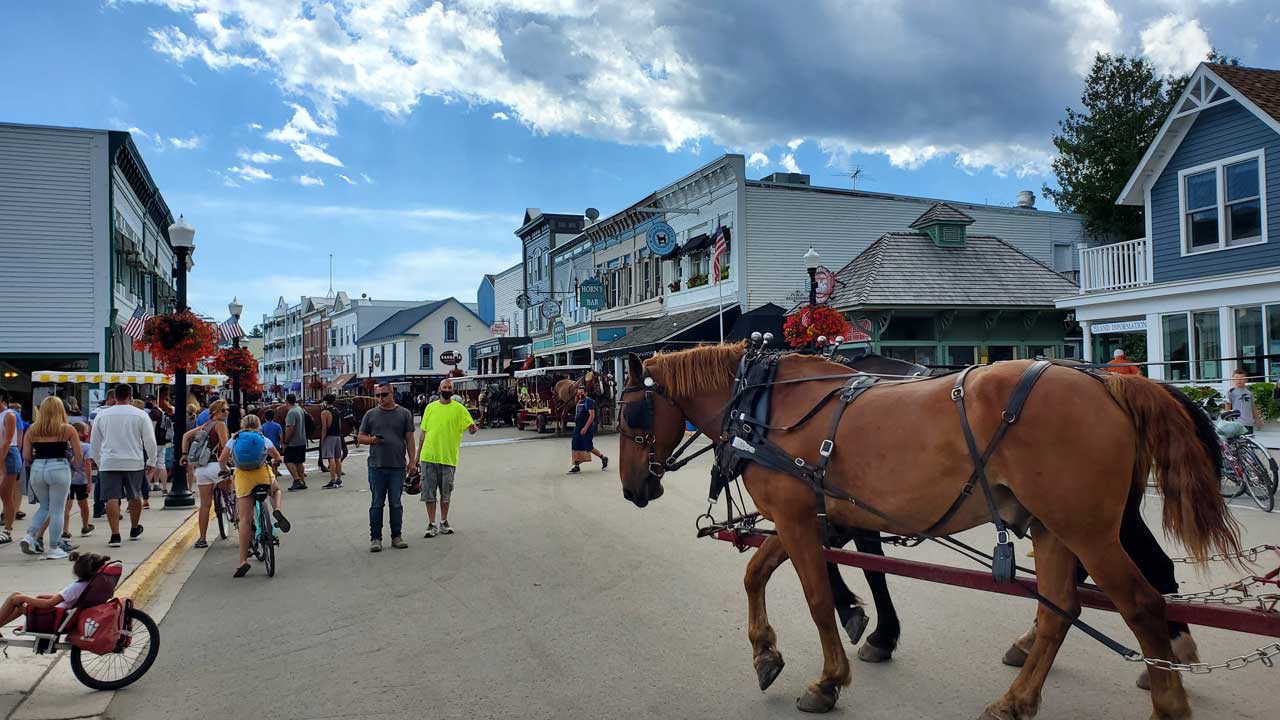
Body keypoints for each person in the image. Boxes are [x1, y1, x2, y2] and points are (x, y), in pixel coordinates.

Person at [219, 413, 290, 577]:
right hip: (262, 474)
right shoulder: (263, 439)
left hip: (243, 477)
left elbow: (223, 459)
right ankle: (277, 509)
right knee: (276, 490)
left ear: (242, 424)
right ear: (259, 424)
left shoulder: (235, 438)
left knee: (244, 520)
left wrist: (225, 469)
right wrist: (274, 462)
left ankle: (243, 560)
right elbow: (278, 458)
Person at [90, 384, 156, 548]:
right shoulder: (140, 415)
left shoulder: (102, 415)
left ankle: (115, 534)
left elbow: (95, 442)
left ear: (114, 397)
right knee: (134, 495)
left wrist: (98, 461)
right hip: (133, 460)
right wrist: (151, 461)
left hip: (109, 461)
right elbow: (149, 440)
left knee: (111, 497)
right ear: (130, 396)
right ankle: (134, 528)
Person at [18, 397, 82, 560]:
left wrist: (36, 462)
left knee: (44, 506)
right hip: (59, 467)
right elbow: (78, 455)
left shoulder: (32, 429)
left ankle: (30, 535)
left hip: (38, 468)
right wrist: (73, 466)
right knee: (57, 509)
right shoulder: (67, 429)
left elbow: (26, 455)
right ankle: (53, 547)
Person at [357, 382, 415, 552]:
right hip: (376, 466)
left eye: (384, 395)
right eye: (378, 395)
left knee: (395, 503)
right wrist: (372, 440)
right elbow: (360, 437)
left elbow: (410, 439)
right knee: (377, 503)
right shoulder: (370, 415)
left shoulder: (404, 414)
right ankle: (376, 538)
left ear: (392, 394)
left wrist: (412, 461)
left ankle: (396, 536)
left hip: (397, 466)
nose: (380, 398)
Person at [417, 378, 477, 538]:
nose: (447, 389)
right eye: (445, 387)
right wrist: (417, 457)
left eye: (449, 387)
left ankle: (444, 521)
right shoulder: (430, 408)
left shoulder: (459, 409)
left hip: (448, 458)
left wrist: (472, 428)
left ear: (453, 390)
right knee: (429, 493)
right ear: (439, 389)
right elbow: (423, 433)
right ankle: (431, 524)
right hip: (429, 457)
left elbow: (470, 428)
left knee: (446, 492)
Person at [0, 552, 113, 634]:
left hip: (51, 616)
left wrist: (24, 598)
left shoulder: (76, 587)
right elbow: (70, 600)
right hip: (63, 614)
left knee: (15, 597)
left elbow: (48, 604)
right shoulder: (91, 586)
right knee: (20, 601)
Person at [183, 400, 230, 549]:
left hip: (202, 469)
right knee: (234, 497)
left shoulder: (204, 425)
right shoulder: (220, 425)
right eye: (223, 410)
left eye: (227, 409)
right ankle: (240, 522)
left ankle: (202, 538)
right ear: (216, 412)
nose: (227, 412)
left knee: (204, 505)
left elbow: (185, 436)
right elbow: (225, 446)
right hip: (217, 466)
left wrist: (184, 454)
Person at [568, 386, 608, 474]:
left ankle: (603, 458)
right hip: (577, 427)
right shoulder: (579, 402)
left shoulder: (588, 401)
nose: (580, 395)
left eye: (581, 393)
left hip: (586, 427)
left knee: (588, 446)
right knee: (575, 445)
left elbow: (592, 416)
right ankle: (576, 466)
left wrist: (585, 428)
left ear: (585, 393)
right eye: (578, 393)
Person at [65, 422, 94, 540]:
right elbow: (88, 464)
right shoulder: (86, 447)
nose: (87, 433)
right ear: (80, 433)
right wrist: (89, 481)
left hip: (68, 479)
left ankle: (65, 530)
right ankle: (85, 526)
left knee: (67, 506)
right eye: (85, 431)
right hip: (81, 480)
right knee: (83, 504)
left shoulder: (67, 445)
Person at [1, 390, 21, 545]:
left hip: (8, 455)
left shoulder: (9, 415)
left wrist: (0, 462)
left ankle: (8, 530)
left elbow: (7, 440)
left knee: (6, 494)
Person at [282, 394, 308, 491]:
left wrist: (286, 442)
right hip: (302, 439)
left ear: (287, 401)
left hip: (293, 442)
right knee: (299, 462)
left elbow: (290, 428)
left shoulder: (291, 412)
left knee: (288, 460)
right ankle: (302, 480)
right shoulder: (300, 409)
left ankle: (297, 480)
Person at [1224, 368, 1263, 434]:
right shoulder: (1230, 392)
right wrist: (1227, 421)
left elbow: (1253, 407)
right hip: (1237, 423)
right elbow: (1227, 406)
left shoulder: (1249, 392)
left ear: (1246, 379)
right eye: (1236, 377)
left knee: (1249, 441)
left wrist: (1257, 420)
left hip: (1249, 422)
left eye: (1242, 378)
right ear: (1233, 379)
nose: (1239, 380)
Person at [320, 394, 345, 489]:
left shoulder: (325, 413)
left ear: (325, 402)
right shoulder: (337, 411)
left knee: (331, 458)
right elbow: (339, 425)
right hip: (337, 436)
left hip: (329, 436)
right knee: (337, 458)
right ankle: (339, 479)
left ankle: (332, 480)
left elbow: (324, 428)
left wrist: (322, 440)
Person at [260, 409, 284, 477]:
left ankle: (270, 476)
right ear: (273, 417)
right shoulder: (277, 426)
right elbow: (281, 436)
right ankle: (275, 476)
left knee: (268, 463)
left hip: (266, 447)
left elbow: (262, 436)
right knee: (275, 463)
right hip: (275, 446)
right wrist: (281, 444)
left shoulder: (263, 426)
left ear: (265, 417)